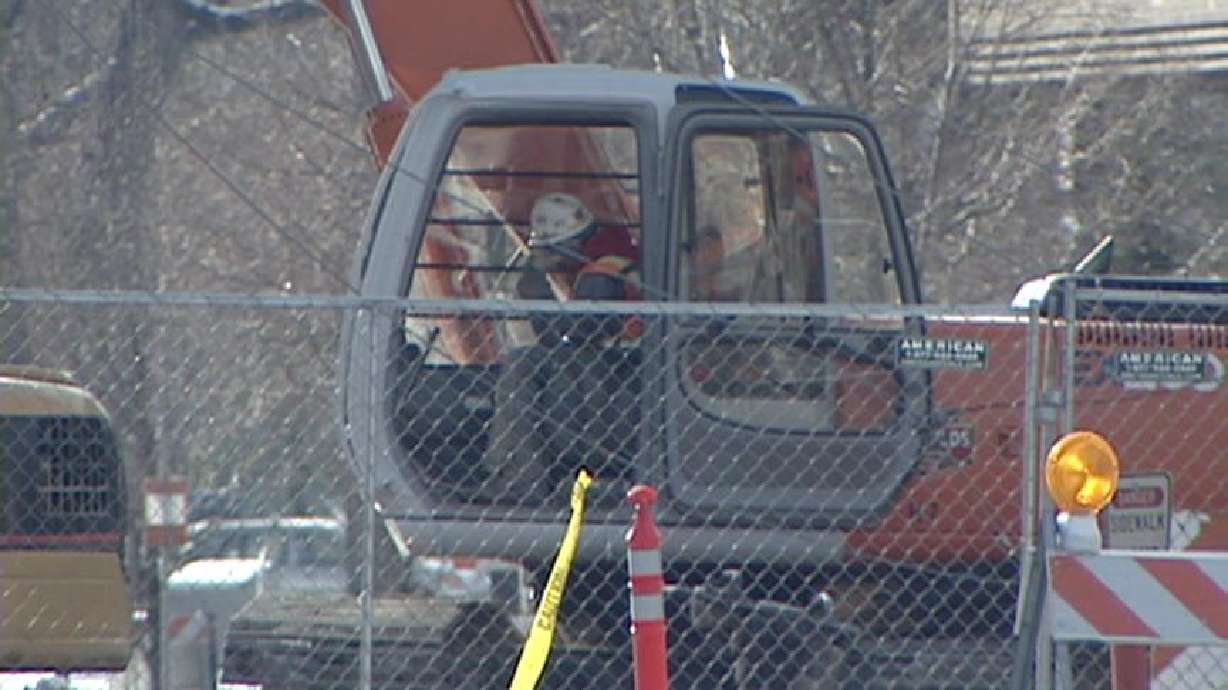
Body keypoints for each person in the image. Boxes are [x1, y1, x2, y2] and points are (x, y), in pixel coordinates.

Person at [482, 192, 641, 503]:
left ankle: (519, 478)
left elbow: (570, 338)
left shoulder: (601, 278)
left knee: (524, 366)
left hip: (617, 384)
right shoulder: (614, 261)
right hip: (623, 378)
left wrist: (534, 289)